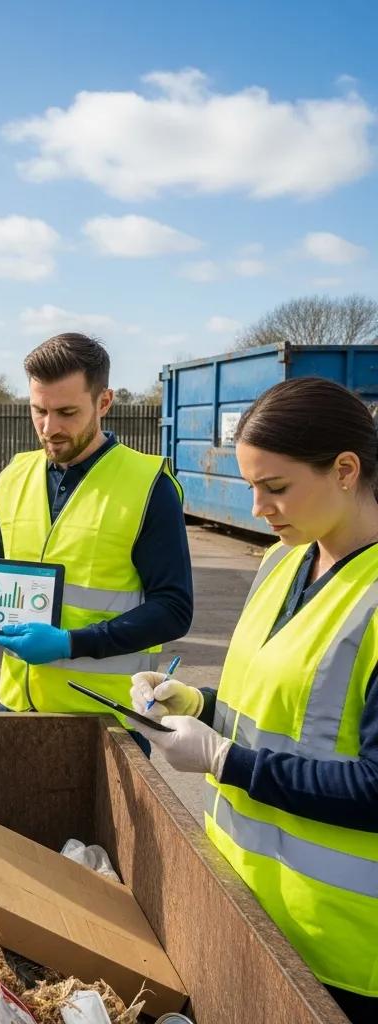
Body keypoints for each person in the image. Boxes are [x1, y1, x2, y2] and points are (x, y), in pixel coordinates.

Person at [129, 377, 378, 1022]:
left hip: (345, 951)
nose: (260, 507)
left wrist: (223, 761)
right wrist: (201, 704)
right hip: (248, 906)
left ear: (346, 470)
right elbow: (287, 710)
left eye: (276, 487)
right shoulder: (283, 561)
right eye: (251, 489)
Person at [0, 333, 193, 735]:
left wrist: (71, 643)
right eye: (39, 411)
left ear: (104, 402)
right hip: (17, 709)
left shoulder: (148, 486)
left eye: (67, 412)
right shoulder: (14, 476)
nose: (50, 428)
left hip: (107, 721)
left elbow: (173, 610)